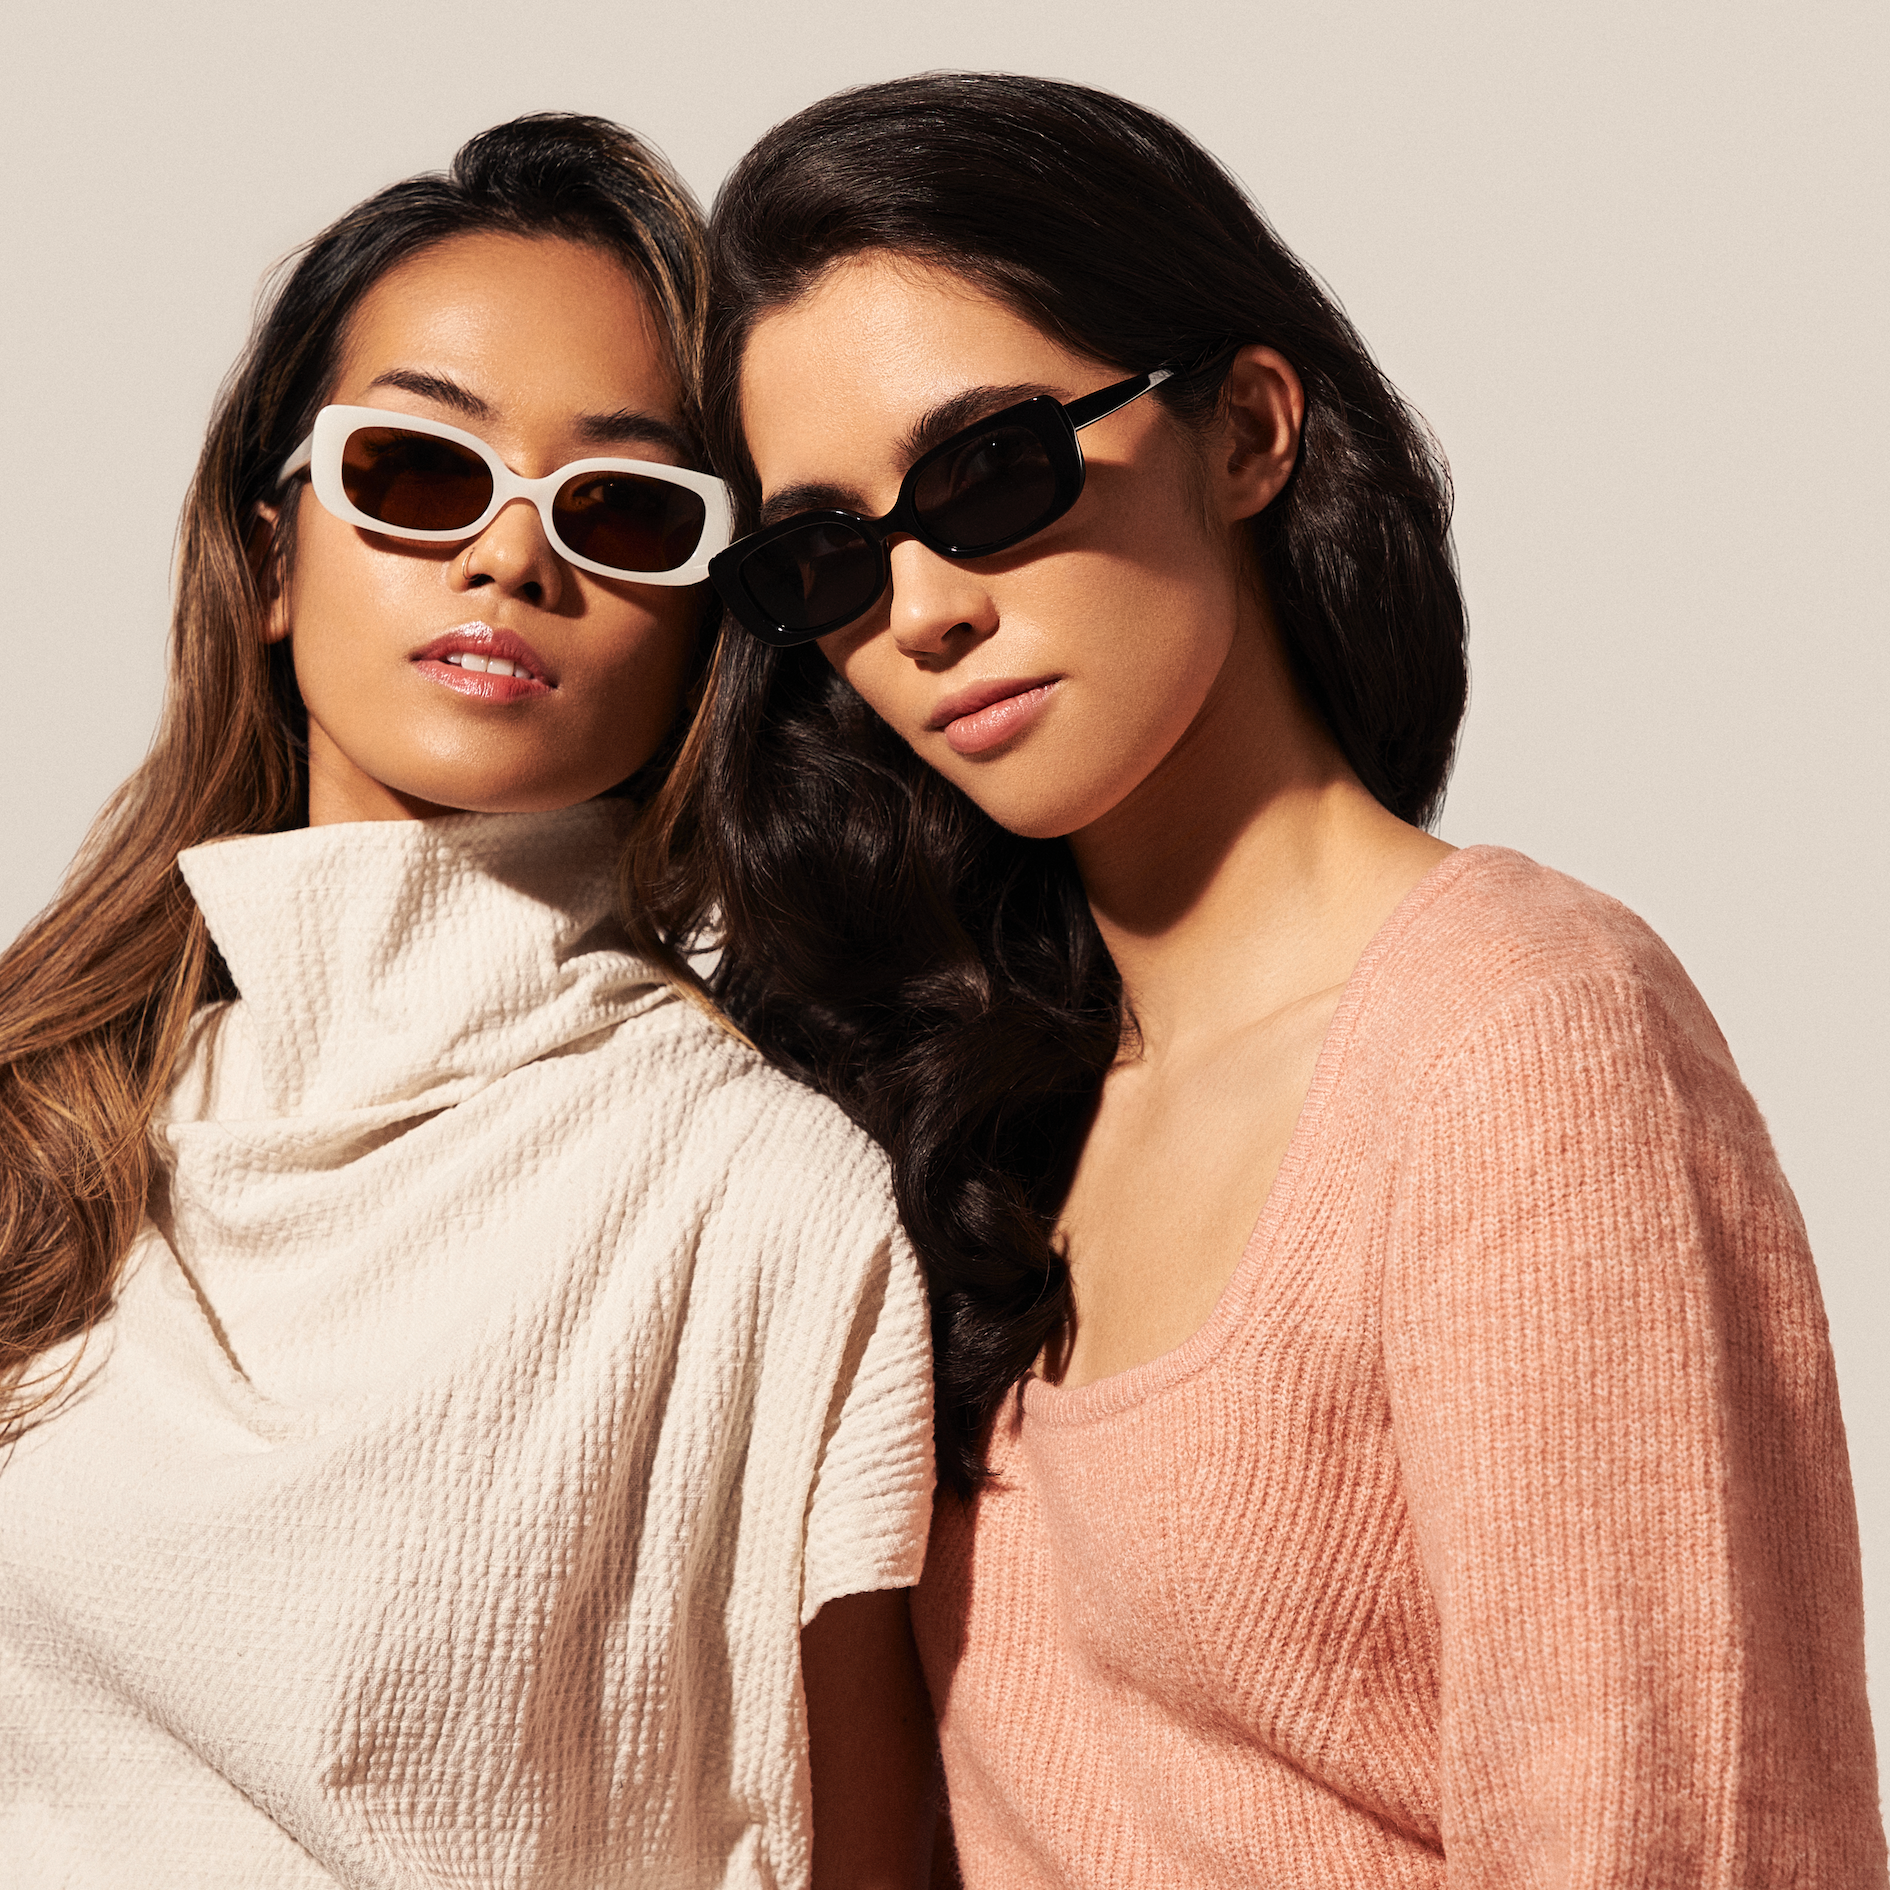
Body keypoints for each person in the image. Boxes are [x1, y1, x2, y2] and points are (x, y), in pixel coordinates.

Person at [631, 73, 1887, 1886]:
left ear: (1244, 431)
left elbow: (1668, 1835)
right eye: (830, 555)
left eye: (988, 474)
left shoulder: (1517, 1041)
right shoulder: (965, 1102)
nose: (920, 614)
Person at [0, 115, 936, 1889]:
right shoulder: (55, 1107)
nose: (510, 560)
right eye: (419, 472)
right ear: (272, 562)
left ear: (696, 636)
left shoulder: (758, 1203)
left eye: (624, 510)